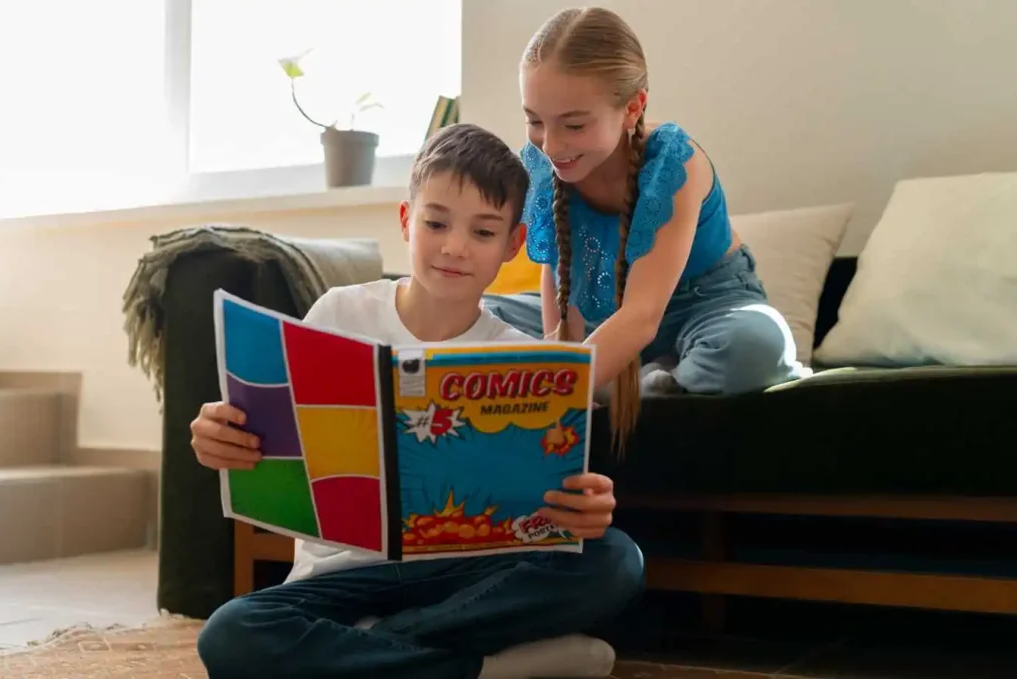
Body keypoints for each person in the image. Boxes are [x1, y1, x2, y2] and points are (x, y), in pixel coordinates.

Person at [190, 123, 644, 679]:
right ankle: (486, 670)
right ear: (407, 220)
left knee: (616, 560)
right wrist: (220, 435)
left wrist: (584, 507)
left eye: (483, 232)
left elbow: (551, 496)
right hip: (340, 578)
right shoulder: (338, 315)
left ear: (512, 245)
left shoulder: (525, 358)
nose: (454, 246)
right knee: (231, 634)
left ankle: (371, 650)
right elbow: (265, 437)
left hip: (463, 575)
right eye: (436, 223)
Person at [483, 7, 807, 451]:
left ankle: (645, 381)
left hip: (701, 310)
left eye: (574, 124)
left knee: (755, 345)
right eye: (535, 121)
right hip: (598, 310)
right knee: (473, 316)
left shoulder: (674, 163)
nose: (552, 144)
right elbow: (560, 303)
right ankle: (624, 380)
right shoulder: (545, 164)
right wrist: (557, 356)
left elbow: (642, 315)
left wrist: (551, 392)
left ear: (633, 107)